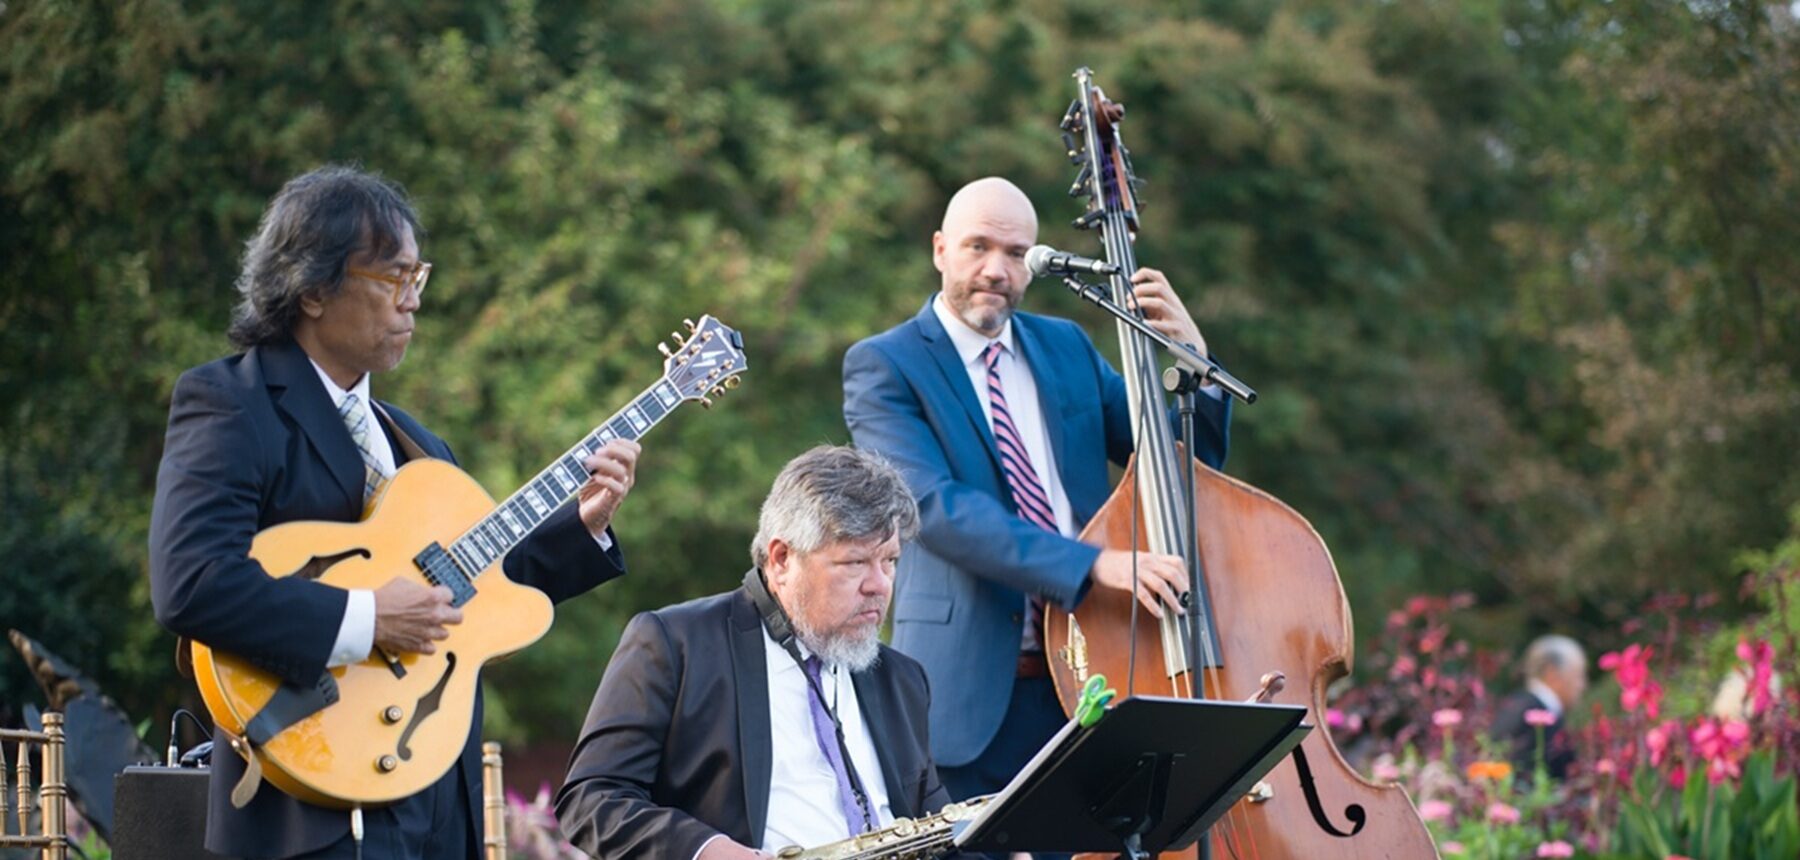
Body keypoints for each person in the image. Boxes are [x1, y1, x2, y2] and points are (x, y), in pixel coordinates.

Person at [148, 165, 639, 859]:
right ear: (314, 288)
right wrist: (370, 619)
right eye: (392, 279)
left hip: (436, 795)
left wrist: (582, 525)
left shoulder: (418, 442)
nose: (412, 302)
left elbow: (474, 587)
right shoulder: (231, 403)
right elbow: (192, 583)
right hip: (307, 802)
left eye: (419, 278)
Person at [841, 177, 1231, 806]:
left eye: (1016, 253)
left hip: (1094, 675)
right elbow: (930, 507)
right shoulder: (885, 364)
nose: (996, 270)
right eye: (978, 247)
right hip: (966, 695)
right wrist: (1093, 563)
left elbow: (1179, 467)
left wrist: (1191, 365)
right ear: (940, 249)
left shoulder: (1067, 345)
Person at [557, 445, 960, 860]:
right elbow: (592, 799)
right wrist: (709, 851)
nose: (879, 585)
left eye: (890, 560)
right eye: (855, 562)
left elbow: (939, 828)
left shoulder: (902, 678)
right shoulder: (675, 643)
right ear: (781, 558)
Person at [1491, 634, 1587, 781]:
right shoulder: (1533, 717)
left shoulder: (1516, 705)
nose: (1583, 686)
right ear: (1552, 672)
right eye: (1579, 676)